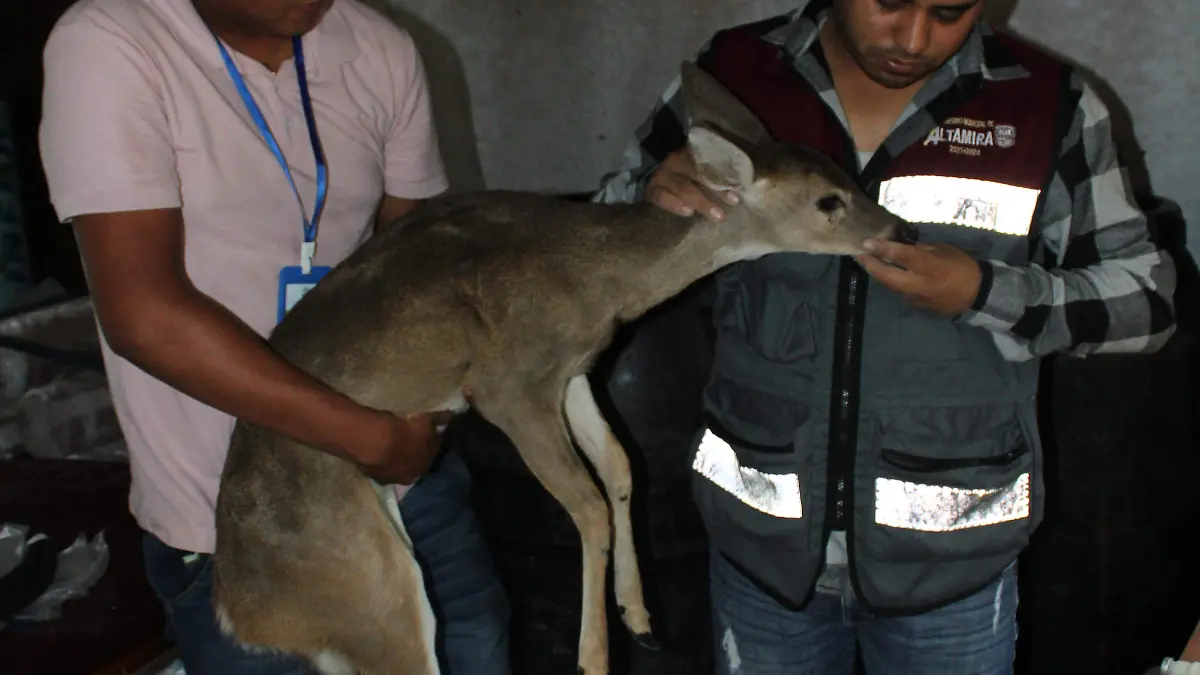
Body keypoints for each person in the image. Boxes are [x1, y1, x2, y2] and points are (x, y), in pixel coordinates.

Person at [595, 0, 1178, 673]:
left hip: (951, 573)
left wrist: (986, 292)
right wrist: (651, 201)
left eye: (952, 11)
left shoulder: (1048, 105)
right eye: (891, 3)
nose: (913, 37)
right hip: (762, 555)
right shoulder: (735, 77)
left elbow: (1147, 305)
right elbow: (601, 237)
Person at [37, 0, 510, 673]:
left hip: (402, 489)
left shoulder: (379, 48)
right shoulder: (111, 41)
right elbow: (146, 314)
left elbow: (418, 264)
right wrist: (370, 437)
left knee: (475, 646)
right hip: (240, 516)